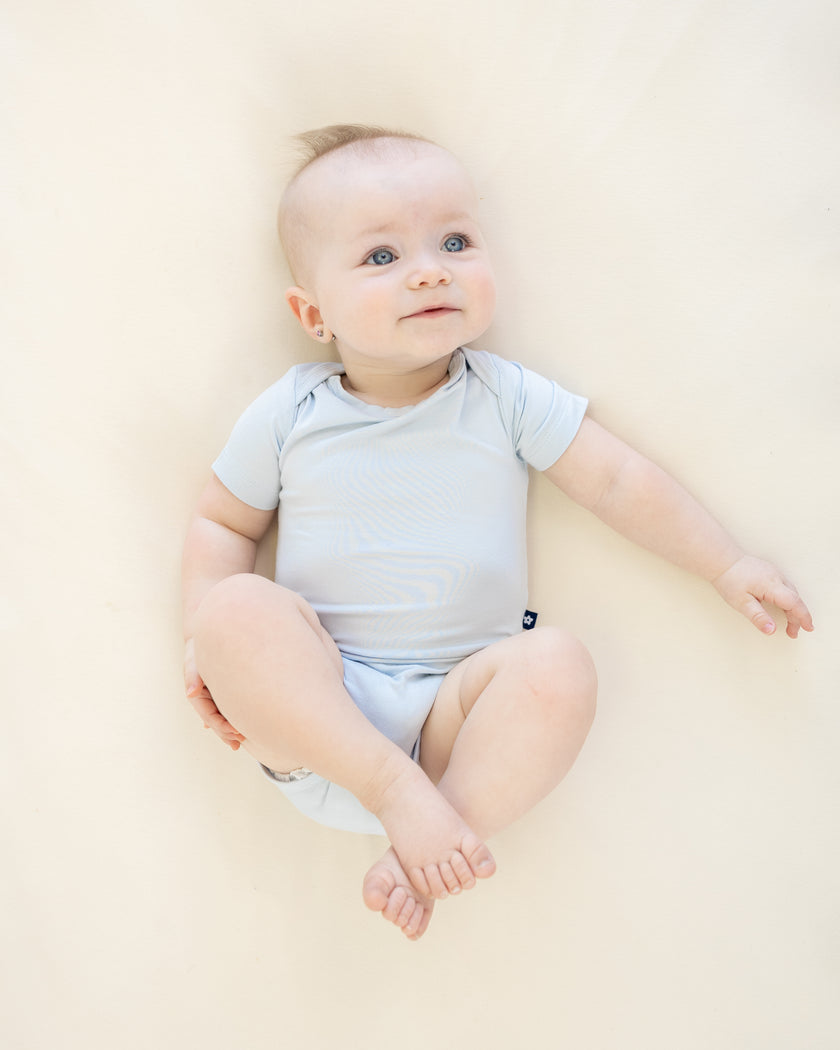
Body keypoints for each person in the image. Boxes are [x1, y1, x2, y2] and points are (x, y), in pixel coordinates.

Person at [182, 124, 813, 940]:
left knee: (559, 667)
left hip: (457, 727)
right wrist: (203, 640)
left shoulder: (504, 395)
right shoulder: (292, 411)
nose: (430, 268)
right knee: (234, 610)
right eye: (382, 257)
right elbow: (220, 522)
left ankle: (430, 832)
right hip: (321, 719)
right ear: (312, 313)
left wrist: (725, 562)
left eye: (454, 240)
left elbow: (618, 481)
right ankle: (398, 798)